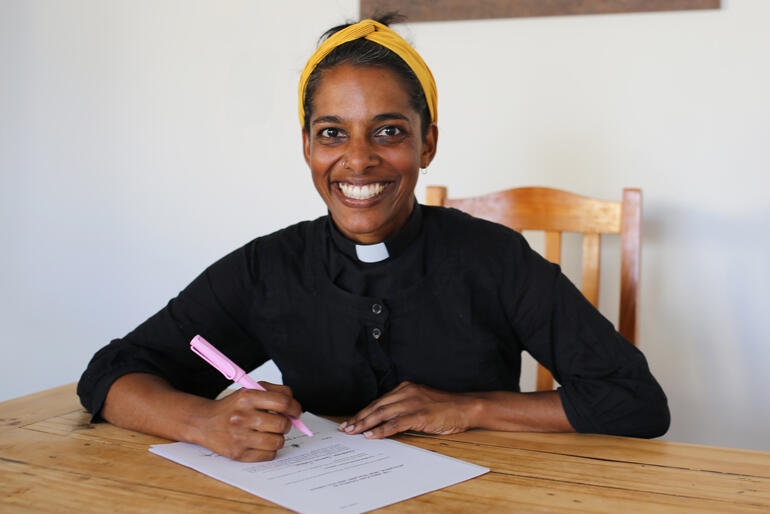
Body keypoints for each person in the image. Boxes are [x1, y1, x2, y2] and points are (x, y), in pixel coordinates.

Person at [78, 15, 670, 463]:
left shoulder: (494, 259)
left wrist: (470, 407)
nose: (358, 161)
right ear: (308, 146)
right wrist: (201, 422)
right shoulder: (267, 268)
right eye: (333, 133)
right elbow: (110, 376)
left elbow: (636, 401)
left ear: (426, 145)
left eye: (388, 131)